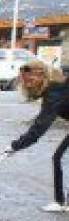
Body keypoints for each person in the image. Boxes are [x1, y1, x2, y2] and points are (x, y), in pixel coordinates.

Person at [5, 60, 69, 212]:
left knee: (59, 157)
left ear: (42, 75)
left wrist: (16, 145)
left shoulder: (55, 90)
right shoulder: (54, 87)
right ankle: (60, 202)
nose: (27, 84)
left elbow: (40, 127)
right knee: (59, 157)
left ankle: (60, 202)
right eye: (25, 80)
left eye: (30, 80)